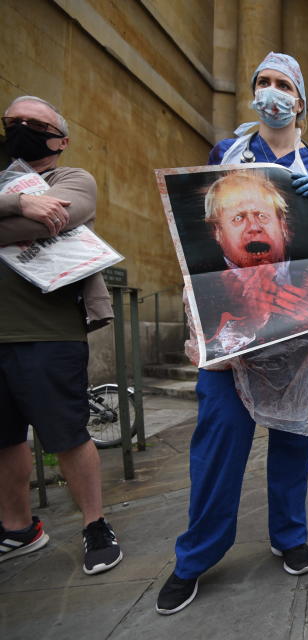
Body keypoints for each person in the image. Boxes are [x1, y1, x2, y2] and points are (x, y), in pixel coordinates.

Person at [156, 52, 308, 615]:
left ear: (300, 101)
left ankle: (289, 536)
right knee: (220, 437)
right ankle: (195, 556)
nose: (270, 92)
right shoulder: (227, 157)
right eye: (262, 83)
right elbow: (198, 233)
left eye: (282, 84)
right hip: (231, 331)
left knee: (294, 437)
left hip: (297, 331)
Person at [0, 96, 121, 575]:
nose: (22, 128)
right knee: (4, 438)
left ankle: (95, 524)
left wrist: (26, 210)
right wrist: (21, 203)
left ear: (61, 139)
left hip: (47, 330)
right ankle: (18, 528)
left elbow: (61, 217)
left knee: (66, 434)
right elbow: (31, 220)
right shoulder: (16, 185)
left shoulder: (72, 179)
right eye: (13, 122)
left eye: (36, 124)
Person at [198, 171, 308, 358]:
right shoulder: (204, 285)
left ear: (283, 224)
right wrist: (250, 323)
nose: (253, 227)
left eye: (262, 215)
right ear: (217, 231)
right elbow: (206, 349)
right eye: (238, 218)